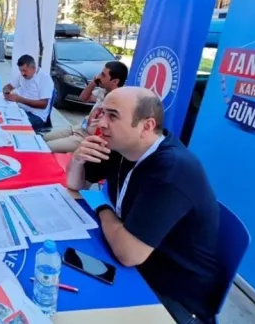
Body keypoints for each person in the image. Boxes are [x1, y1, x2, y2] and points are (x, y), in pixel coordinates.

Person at [67, 87, 220, 324]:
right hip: (138, 268)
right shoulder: (121, 147)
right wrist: (77, 159)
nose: (102, 123)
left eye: (113, 116)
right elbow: (75, 183)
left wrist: (101, 207)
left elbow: (129, 254)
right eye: (102, 113)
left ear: (146, 126)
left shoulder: (172, 169)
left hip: (171, 299)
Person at [43, 61, 128, 153]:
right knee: (44, 138)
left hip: (86, 137)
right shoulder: (103, 91)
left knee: (47, 147)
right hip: (79, 128)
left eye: (103, 75)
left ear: (115, 81)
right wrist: (93, 83)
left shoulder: (118, 101)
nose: (99, 76)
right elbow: (83, 98)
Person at [2, 55, 54, 131]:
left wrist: (20, 99)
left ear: (33, 68)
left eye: (24, 70)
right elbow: (8, 86)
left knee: (12, 126)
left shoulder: (44, 78)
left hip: (37, 116)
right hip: (22, 110)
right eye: (21, 71)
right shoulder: (22, 76)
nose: (22, 73)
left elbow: (43, 104)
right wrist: (6, 92)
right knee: (3, 117)